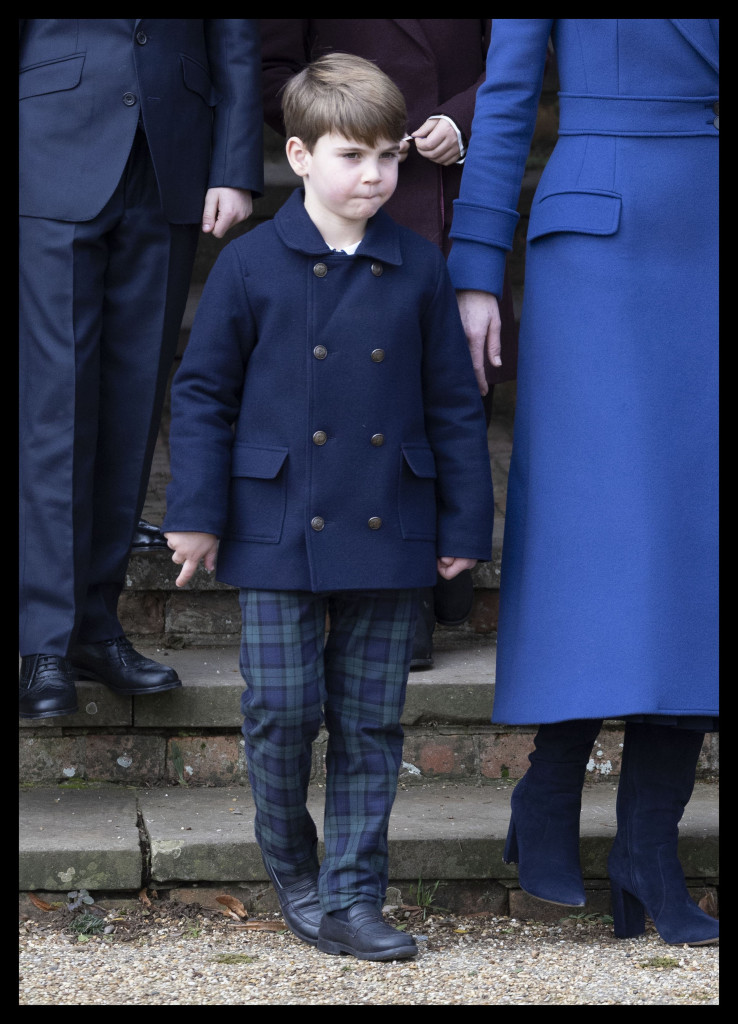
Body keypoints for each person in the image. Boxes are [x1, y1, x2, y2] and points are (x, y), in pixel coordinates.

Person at [162, 53, 495, 961]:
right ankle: (297, 873)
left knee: (370, 723)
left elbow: (453, 405)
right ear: (301, 156)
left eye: (388, 156)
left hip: (391, 519)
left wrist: (465, 525)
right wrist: (194, 513)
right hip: (276, 522)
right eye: (353, 155)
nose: (375, 175)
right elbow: (202, 396)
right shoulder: (249, 264)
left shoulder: (420, 266)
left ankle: (352, 897)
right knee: (280, 709)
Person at [448, 19, 719, 946]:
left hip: (706, 225)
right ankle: (550, 783)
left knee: (698, 541)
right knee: (592, 526)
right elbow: (506, 95)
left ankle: (648, 850)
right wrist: (475, 266)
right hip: (598, 246)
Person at [18, 20, 264, 719]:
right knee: (55, 410)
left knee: (132, 407)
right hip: (49, 143)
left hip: (170, 153)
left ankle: (96, 628)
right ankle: (43, 643)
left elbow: (236, 36)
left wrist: (234, 163)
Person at [259, 19, 518, 669]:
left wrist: (463, 120)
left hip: (454, 183)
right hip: (353, 180)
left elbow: (519, 57)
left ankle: (443, 553)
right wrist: (349, 138)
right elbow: (269, 69)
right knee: (359, 395)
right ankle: (397, 590)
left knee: (457, 376)